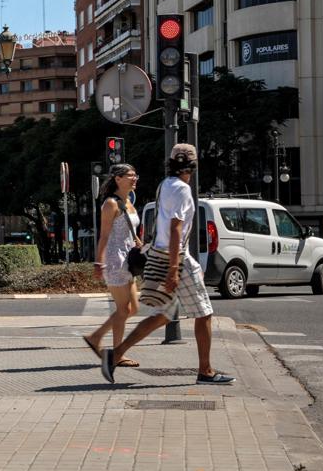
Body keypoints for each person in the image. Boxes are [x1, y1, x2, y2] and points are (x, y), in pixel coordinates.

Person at [100, 144, 235, 386]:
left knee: (163, 315)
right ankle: (205, 371)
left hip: (163, 253)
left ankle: (115, 354)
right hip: (176, 258)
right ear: (193, 165)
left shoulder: (165, 185)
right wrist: (175, 268)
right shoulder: (182, 189)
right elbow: (175, 228)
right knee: (204, 312)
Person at [83, 164, 141, 368]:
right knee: (124, 309)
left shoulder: (129, 202)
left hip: (129, 260)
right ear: (118, 178)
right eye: (130, 176)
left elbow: (129, 230)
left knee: (133, 308)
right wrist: (99, 263)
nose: (135, 179)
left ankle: (96, 337)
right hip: (115, 261)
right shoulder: (110, 204)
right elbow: (104, 235)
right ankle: (117, 353)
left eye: (136, 175)